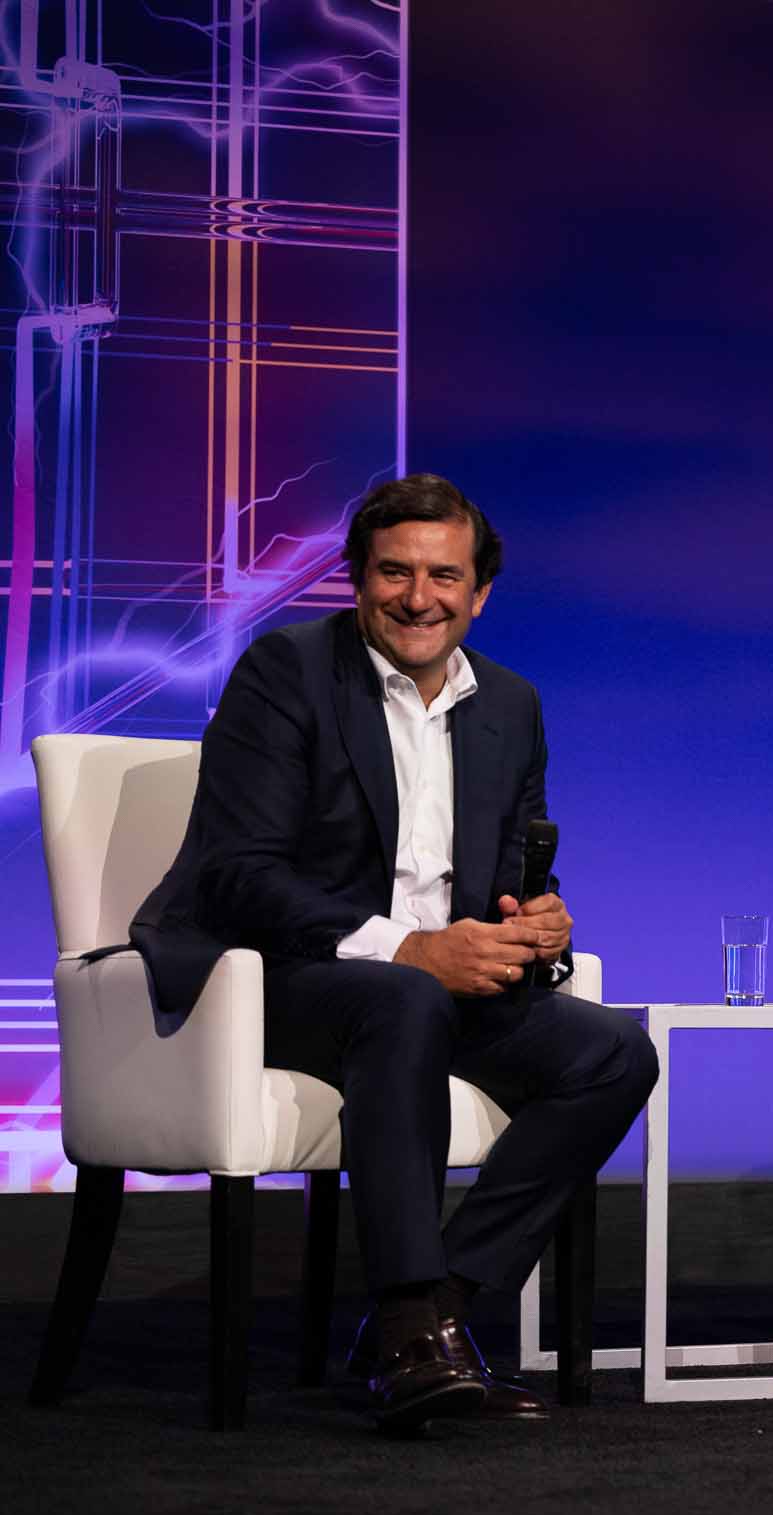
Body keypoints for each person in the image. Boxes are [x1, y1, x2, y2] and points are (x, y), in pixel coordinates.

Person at [131, 474, 658, 1432]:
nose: (420, 598)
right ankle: (419, 1331)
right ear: (355, 578)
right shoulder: (287, 671)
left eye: (444, 576)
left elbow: (505, 871)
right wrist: (408, 950)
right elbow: (235, 874)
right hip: (271, 982)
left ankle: (425, 1313)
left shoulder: (511, 702)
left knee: (612, 1051)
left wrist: (532, 928)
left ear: (480, 592)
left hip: (429, 988)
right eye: (395, 573)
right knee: (403, 1000)